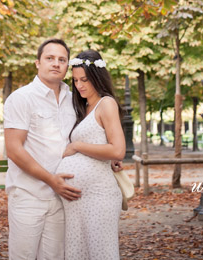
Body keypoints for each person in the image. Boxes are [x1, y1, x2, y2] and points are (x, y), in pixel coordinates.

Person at [4, 38, 82, 260]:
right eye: (50, 58)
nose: (56, 64)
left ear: (68, 66)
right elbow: (14, 149)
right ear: (38, 63)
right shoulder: (21, 98)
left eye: (62, 60)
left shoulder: (73, 99)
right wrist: (50, 180)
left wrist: (110, 157)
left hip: (61, 198)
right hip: (29, 195)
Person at [56, 49, 126, 260]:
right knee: (78, 254)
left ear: (97, 77)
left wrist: (78, 146)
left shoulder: (107, 103)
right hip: (77, 200)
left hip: (99, 196)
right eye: (76, 80)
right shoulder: (83, 106)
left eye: (84, 79)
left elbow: (118, 150)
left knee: (100, 254)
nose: (79, 85)